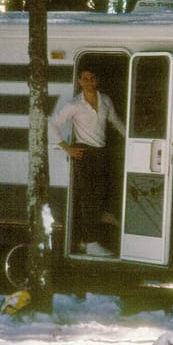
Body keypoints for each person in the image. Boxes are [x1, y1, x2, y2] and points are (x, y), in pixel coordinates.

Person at [49, 67, 125, 256]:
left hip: (100, 152)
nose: (89, 81)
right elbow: (52, 125)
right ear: (80, 81)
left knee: (99, 194)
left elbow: (115, 121)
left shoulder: (105, 100)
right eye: (85, 78)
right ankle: (91, 243)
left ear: (96, 80)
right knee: (88, 199)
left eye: (92, 78)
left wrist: (133, 139)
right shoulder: (74, 104)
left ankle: (95, 228)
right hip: (84, 153)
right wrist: (67, 147)